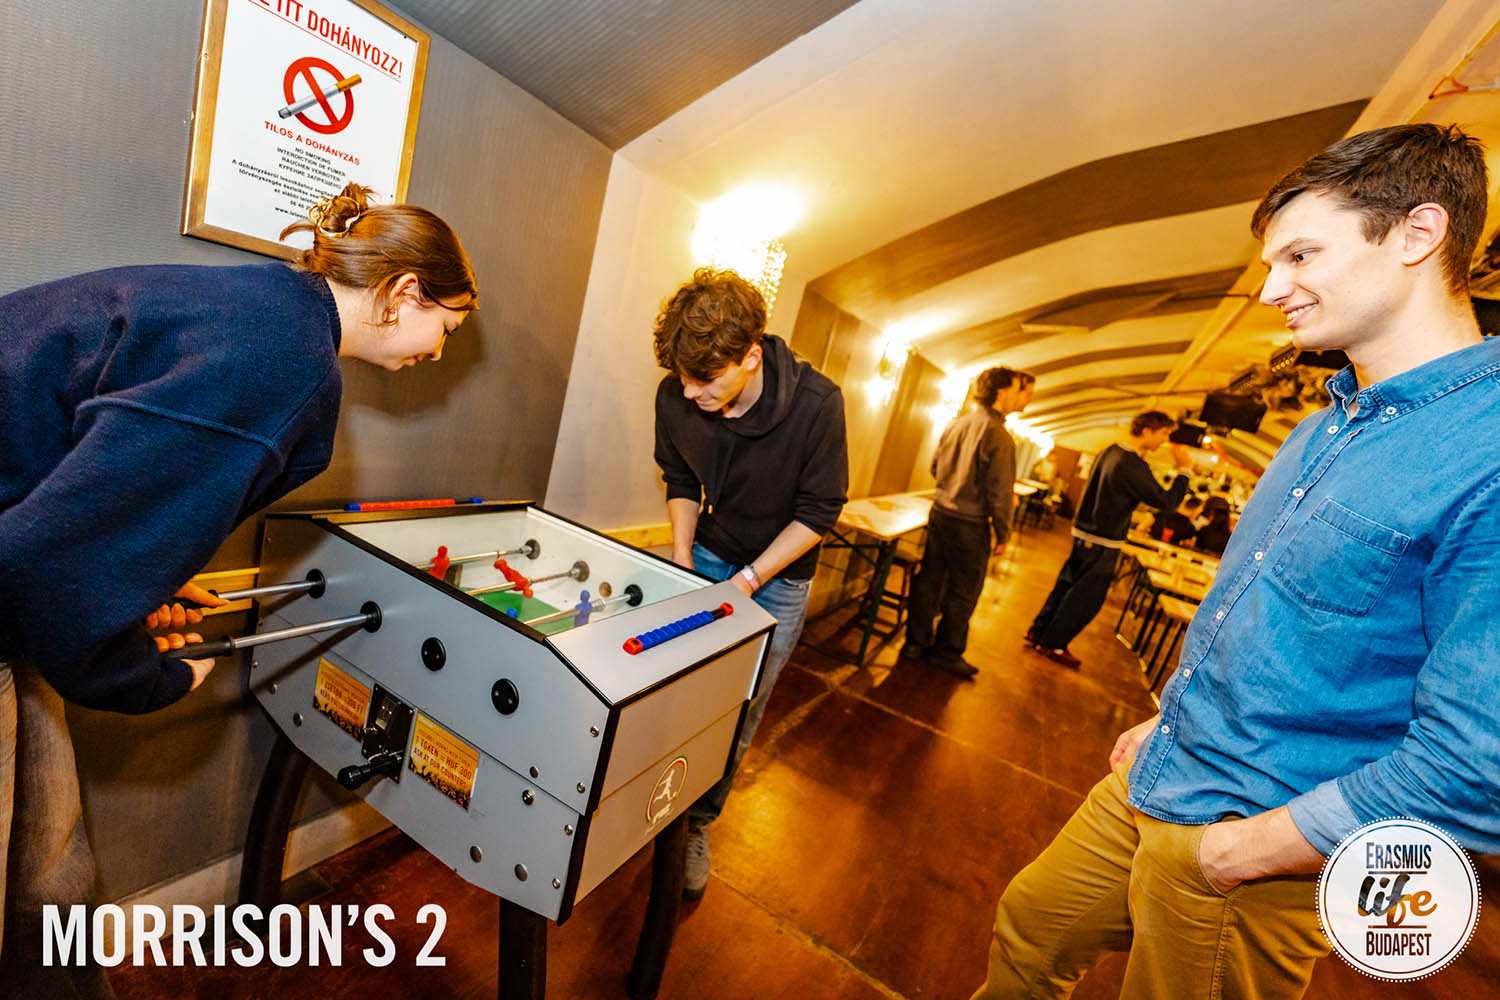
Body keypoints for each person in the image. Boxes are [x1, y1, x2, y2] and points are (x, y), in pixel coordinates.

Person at [972, 123, 1500, 999]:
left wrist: (1241, 851)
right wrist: (1170, 716)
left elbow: (1477, 764)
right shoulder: (1319, 428)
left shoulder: (1486, 453)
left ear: (1418, 234)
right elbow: (1258, 612)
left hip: (1254, 845)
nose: (1270, 290)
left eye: (1299, 256)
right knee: (1029, 928)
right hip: (1163, 773)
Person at [0, 183, 476, 996]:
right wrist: (147, 677)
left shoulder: (271, 309)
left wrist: (145, 577)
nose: (438, 353)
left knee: (49, 859)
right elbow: (54, 574)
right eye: (448, 327)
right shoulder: (286, 360)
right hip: (20, 580)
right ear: (403, 293)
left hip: (16, 584)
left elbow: (99, 491)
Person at [651, 267, 848, 901]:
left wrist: (751, 579)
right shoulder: (679, 392)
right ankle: (648, 806)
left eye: (705, 380)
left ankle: (697, 824)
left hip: (779, 579)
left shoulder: (818, 405)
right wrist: (682, 555)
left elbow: (819, 511)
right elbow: (681, 477)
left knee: (739, 706)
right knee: (668, 688)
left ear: (751, 357)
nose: (688, 393)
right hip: (708, 550)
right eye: (682, 378)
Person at [1025, 411, 1189, 668]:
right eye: (1164, 434)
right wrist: (1185, 471)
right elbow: (1166, 502)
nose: (1164, 441)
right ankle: (1053, 643)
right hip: (1103, 540)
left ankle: (1038, 631)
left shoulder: (1109, 451)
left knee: (1065, 586)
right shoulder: (1132, 464)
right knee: (1085, 598)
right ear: (1147, 431)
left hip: (1083, 533)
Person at [900, 366, 1035, 677]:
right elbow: (1000, 492)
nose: (1022, 397)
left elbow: (935, 467)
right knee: (964, 590)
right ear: (1001, 392)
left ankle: (914, 644)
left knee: (929, 580)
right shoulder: (998, 435)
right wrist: (1003, 532)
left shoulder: (957, 423)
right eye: (1018, 389)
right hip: (970, 524)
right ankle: (947, 652)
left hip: (940, 513)